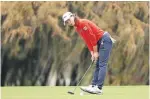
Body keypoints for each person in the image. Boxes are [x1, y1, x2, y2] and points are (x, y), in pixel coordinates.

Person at [62, 12, 115, 94]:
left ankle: (99, 88)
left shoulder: (82, 23)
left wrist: (96, 52)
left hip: (104, 40)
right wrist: (92, 52)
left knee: (102, 64)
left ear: (73, 16)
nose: (69, 22)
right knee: (97, 64)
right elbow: (87, 40)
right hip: (99, 42)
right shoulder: (78, 28)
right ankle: (94, 85)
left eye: (69, 20)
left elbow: (92, 38)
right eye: (67, 22)